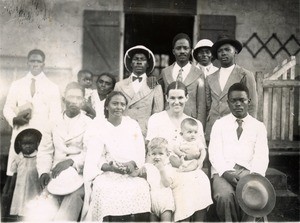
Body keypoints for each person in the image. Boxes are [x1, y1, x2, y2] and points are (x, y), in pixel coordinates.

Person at [146, 81, 213, 222]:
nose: (176, 102)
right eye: (173, 98)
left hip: (188, 167)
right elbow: (150, 150)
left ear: (187, 98)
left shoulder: (194, 123)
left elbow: (201, 151)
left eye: (180, 98)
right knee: (184, 183)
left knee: (202, 180)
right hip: (164, 168)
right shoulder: (157, 119)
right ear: (166, 98)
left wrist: (198, 163)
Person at [82, 91, 151, 222]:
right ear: (107, 106)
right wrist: (112, 168)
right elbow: (95, 157)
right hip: (107, 172)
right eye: (115, 103)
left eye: (122, 104)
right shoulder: (99, 126)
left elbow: (139, 151)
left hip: (130, 172)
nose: (119, 107)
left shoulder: (132, 125)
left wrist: (132, 164)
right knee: (105, 189)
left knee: (141, 187)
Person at [208, 83, 269, 222]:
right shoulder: (219, 124)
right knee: (225, 196)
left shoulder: (258, 126)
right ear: (228, 103)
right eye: (234, 101)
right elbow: (214, 153)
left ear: (249, 101)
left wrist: (254, 176)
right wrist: (226, 173)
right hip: (223, 171)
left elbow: (261, 156)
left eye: (242, 100)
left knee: (252, 194)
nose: (238, 104)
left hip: (249, 172)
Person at [36, 82, 91, 221]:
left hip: (80, 172)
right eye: (70, 97)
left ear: (84, 100)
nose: (74, 101)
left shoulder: (89, 123)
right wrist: (43, 171)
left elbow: (90, 151)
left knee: (72, 199)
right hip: (55, 173)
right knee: (47, 202)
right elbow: (45, 150)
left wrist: (71, 161)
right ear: (63, 99)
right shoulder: (53, 121)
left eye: (78, 98)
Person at [3, 49, 61, 177]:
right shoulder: (16, 84)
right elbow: (7, 108)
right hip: (20, 132)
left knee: (39, 171)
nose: (35, 64)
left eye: (38, 61)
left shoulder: (52, 87)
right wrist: (14, 119)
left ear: (43, 64)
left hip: (42, 136)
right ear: (27, 63)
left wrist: (48, 135)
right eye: (32, 61)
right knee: (17, 173)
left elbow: (55, 115)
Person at [205, 35, 258, 141]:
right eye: (220, 51)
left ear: (235, 52)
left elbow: (252, 106)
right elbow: (208, 105)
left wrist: (248, 130)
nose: (223, 53)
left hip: (235, 129)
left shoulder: (245, 75)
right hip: (214, 128)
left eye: (227, 49)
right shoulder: (210, 78)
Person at [114, 45, 164, 137]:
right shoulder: (119, 85)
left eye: (143, 59)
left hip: (144, 133)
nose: (139, 62)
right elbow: (115, 111)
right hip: (123, 132)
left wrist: (151, 136)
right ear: (131, 63)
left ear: (148, 64)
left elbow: (157, 116)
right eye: (136, 59)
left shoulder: (155, 86)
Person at [159, 33, 206, 127]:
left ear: (190, 51)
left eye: (185, 48)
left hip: (190, 124)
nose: (182, 51)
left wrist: (199, 127)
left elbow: (201, 105)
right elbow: (159, 98)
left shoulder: (199, 74)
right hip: (168, 122)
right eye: (178, 48)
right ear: (173, 51)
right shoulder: (165, 72)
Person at [131, 137, 175, 222]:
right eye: (154, 154)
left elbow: (167, 184)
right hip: (152, 202)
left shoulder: (168, 168)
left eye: (160, 153)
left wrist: (161, 170)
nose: (157, 157)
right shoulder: (148, 166)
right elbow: (136, 173)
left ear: (167, 154)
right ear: (149, 154)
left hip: (165, 202)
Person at [10, 128, 42, 218]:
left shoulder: (39, 157)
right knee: (20, 205)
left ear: (37, 144)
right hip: (20, 188)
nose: (27, 146)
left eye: (30, 143)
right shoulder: (18, 158)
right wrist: (10, 189)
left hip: (33, 187)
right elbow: (14, 174)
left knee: (32, 206)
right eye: (25, 144)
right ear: (20, 145)